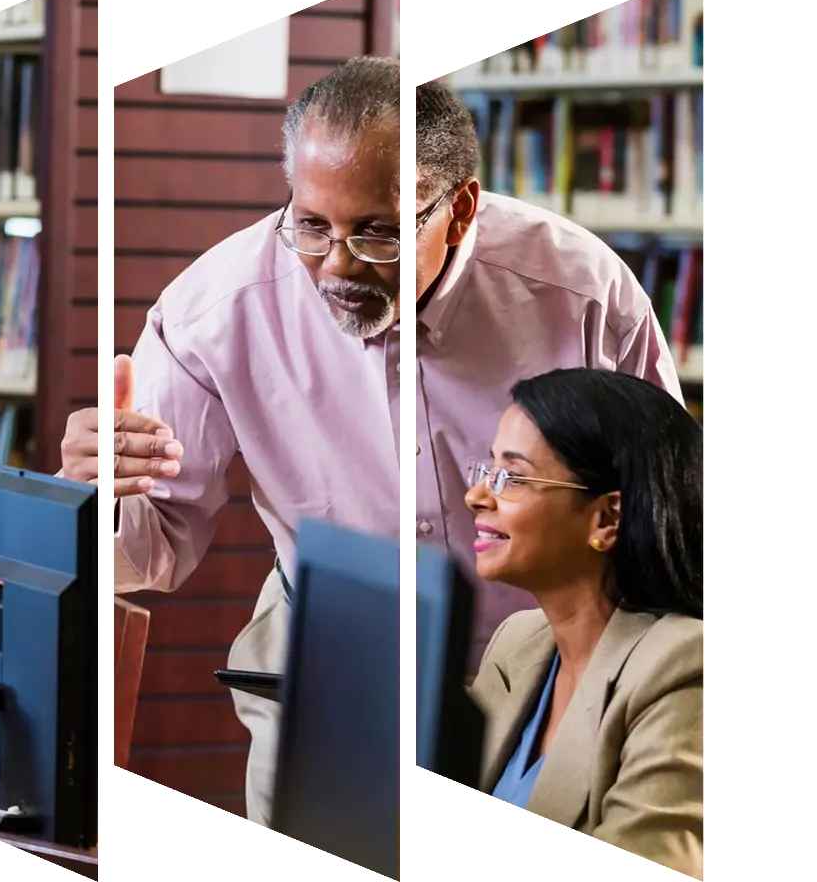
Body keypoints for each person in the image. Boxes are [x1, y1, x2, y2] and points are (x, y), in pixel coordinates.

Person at [58, 56, 683, 830]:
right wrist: (97, 489)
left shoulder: (584, 294)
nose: (338, 264)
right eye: (312, 225)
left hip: (548, 670)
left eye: (383, 233)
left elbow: (661, 515)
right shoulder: (211, 312)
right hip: (329, 660)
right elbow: (152, 550)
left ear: (461, 210)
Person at [465, 368, 703, 882]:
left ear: (606, 519)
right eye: (488, 469)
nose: (477, 496)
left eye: (514, 477)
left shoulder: (683, 669)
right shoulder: (517, 645)